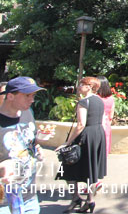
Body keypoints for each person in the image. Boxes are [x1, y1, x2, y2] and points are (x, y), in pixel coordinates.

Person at [56, 76, 107, 213]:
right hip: (97, 134)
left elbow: (81, 124)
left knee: (68, 166)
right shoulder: (99, 101)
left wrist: (67, 143)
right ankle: (90, 200)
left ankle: (76, 197)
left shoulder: (84, 102)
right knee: (90, 169)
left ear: (89, 87)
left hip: (85, 136)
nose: (79, 87)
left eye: (81, 84)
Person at [0, 76, 46, 213]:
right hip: (4, 203)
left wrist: (38, 146)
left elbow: (29, 144)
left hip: (29, 198)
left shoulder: (27, 113)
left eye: (33, 95)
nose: (32, 100)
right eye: (27, 95)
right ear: (10, 96)